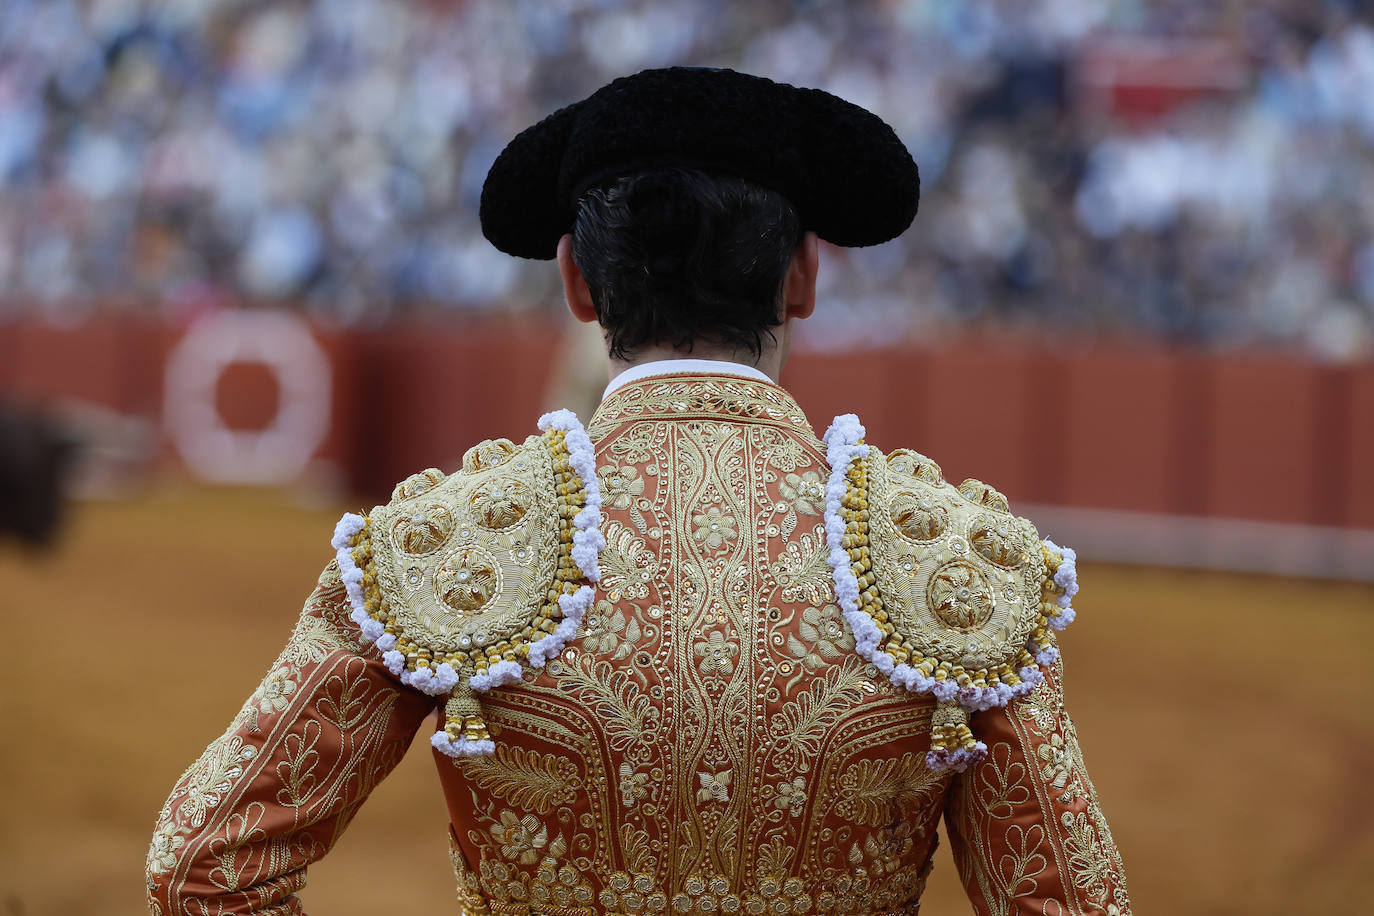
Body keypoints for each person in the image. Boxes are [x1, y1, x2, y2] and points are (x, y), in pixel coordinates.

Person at [147, 67, 1130, 916]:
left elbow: (203, 864)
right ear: (802, 275)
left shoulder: (441, 544)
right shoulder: (955, 564)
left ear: (577, 283)